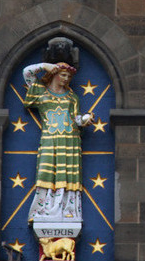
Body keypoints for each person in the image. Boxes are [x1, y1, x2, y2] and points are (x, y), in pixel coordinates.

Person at [23, 60, 94, 223]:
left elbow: (74, 118)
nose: (66, 78)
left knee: (68, 175)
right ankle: (45, 209)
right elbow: (27, 72)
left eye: (69, 76)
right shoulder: (40, 91)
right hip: (50, 139)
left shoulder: (72, 96)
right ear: (54, 74)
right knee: (47, 172)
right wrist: (44, 66)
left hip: (70, 140)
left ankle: (68, 210)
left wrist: (83, 120)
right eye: (63, 74)